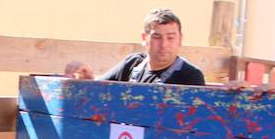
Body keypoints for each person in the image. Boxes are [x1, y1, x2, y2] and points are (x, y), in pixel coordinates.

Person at [65, 9, 207, 86]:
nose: (164, 44)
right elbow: (98, 89)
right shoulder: (133, 64)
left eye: (171, 37)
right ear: (144, 38)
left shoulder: (190, 75)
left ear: (180, 39)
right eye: (157, 37)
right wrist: (85, 77)